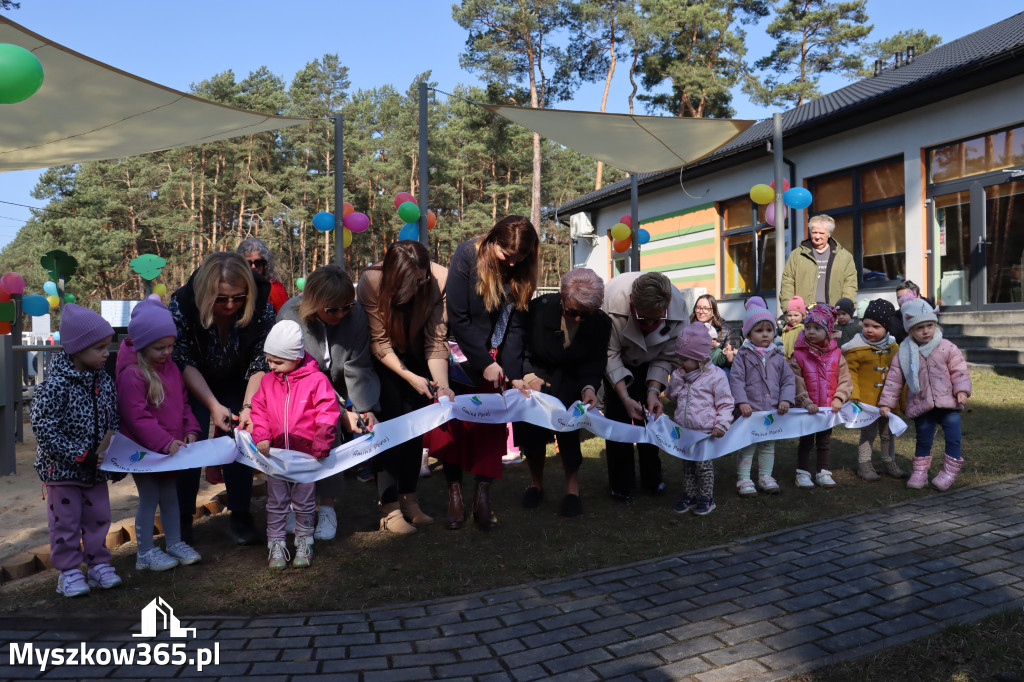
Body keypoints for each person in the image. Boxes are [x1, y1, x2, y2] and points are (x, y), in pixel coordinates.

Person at [434, 215, 537, 531]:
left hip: (496, 360)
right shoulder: (467, 254)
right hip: (461, 356)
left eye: (520, 257)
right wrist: (483, 362)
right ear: (493, 240)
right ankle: (454, 495)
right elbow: (459, 317)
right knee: (452, 428)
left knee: (490, 429)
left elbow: (516, 327)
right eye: (507, 255)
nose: (513, 263)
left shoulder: (522, 268)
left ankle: (482, 496)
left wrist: (513, 373)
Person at [169, 251, 275, 546]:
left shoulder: (262, 305)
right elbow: (182, 359)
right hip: (194, 379)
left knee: (239, 436)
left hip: (240, 378)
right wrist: (213, 405)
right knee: (191, 439)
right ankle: (182, 519)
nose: (230, 306)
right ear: (206, 294)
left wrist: (249, 406)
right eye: (221, 299)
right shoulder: (182, 304)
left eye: (238, 298)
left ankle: (241, 514)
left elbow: (261, 360)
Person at [278, 264, 380, 541]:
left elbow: (359, 364)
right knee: (296, 439)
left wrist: (364, 408)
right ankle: (295, 506)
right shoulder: (289, 316)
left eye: (347, 307)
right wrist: (339, 410)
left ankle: (327, 508)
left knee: (329, 432)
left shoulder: (356, 315)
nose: (341, 314)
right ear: (313, 303)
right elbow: (298, 370)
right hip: (297, 388)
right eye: (332, 310)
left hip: (337, 388)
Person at [358, 240, 453, 534]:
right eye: (408, 284)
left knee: (414, 429)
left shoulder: (441, 279)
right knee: (388, 429)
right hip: (384, 361)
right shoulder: (371, 280)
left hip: (419, 357)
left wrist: (442, 387)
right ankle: (389, 507)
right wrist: (408, 376)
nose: (414, 290)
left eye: (419, 282)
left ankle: (410, 499)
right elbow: (378, 341)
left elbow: (436, 339)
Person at [31, 304, 122, 597]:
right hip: (64, 472)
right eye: (98, 348)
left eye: (107, 346)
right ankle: (68, 572)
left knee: (99, 519)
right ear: (76, 350)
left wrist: (114, 457)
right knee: (65, 524)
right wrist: (79, 455)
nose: (106, 353)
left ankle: (98, 565)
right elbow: (44, 430)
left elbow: (113, 421)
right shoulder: (55, 386)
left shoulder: (105, 382)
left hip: (96, 470)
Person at [515, 268, 611, 517]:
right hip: (538, 380)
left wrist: (589, 387)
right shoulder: (537, 310)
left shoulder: (600, 322)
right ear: (561, 296)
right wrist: (528, 376)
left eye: (585, 315)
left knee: (569, 437)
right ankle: (536, 484)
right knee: (533, 437)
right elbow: (521, 348)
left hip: (572, 382)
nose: (578, 319)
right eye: (572, 312)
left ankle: (572, 489)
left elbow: (596, 361)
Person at [115, 299, 202, 571]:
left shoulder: (171, 368)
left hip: (168, 449)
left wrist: (190, 429)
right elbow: (136, 416)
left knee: (170, 496)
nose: (167, 352)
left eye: (171, 346)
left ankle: (174, 542)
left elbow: (183, 403)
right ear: (142, 345)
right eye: (160, 347)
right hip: (144, 452)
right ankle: (144, 552)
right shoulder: (132, 375)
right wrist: (164, 442)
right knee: (150, 497)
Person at [249, 321, 340, 569]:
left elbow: (327, 412)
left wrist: (320, 444)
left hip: (306, 457)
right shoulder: (268, 382)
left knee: (305, 502)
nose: (271, 366)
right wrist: (261, 435)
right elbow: (259, 410)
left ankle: (304, 540)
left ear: (296, 357)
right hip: (276, 457)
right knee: (276, 502)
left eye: (277, 361)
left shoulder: (317, 380)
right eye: (269, 360)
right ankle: (275, 544)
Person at [602, 271, 689, 502]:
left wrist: (653, 391)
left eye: (656, 319)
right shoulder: (611, 302)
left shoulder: (678, 307)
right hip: (618, 361)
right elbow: (610, 354)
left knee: (651, 419)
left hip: (652, 362)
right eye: (643, 319)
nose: (650, 325)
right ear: (632, 302)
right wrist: (624, 397)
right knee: (618, 421)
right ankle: (621, 483)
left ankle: (652, 478)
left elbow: (668, 355)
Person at [879, 299, 972, 491]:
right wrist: (887, 403)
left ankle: (949, 472)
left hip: (949, 402)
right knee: (923, 439)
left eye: (929, 325)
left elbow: (959, 370)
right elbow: (895, 379)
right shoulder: (903, 352)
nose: (926, 331)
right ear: (910, 330)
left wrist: (961, 390)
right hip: (921, 403)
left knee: (953, 437)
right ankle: (920, 473)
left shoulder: (946, 346)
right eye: (919, 327)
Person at [666, 322, 734, 516]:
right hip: (685, 431)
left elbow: (726, 403)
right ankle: (689, 495)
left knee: (703, 466)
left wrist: (722, 424)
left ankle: (706, 497)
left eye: (685, 359)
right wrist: (676, 380)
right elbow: (671, 396)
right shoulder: (682, 375)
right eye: (679, 358)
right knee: (688, 465)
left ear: (700, 358)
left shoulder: (715, 376)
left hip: (704, 432)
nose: (680, 363)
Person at [729, 301, 795, 497]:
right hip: (749, 411)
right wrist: (742, 402)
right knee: (748, 445)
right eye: (759, 330)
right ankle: (744, 479)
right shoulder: (743, 355)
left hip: (770, 411)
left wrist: (785, 400)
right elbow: (736, 380)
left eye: (769, 330)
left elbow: (788, 380)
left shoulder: (778, 356)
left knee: (768, 446)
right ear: (749, 335)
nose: (765, 334)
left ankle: (766, 476)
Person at [788, 304, 853, 490]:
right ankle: (802, 472)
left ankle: (823, 471)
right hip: (807, 410)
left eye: (817, 328)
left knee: (824, 442)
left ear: (828, 331)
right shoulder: (799, 354)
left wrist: (839, 398)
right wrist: (805, 401)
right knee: (806, 441)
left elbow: (845, 379)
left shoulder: (837, 355)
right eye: (808, 327)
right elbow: (795, 381)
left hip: (827, 408)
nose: (811, 331)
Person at [842, 299, 906, 481]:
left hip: (888, 401)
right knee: (868, 433)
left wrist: (901, 400)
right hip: (866, 402)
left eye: (876, 326)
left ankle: (889, 461)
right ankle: (864, 464)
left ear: (886, 328)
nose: (869, 330)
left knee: (888, 433)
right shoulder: (856, 349)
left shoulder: (893, 348)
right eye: (866, 325)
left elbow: (899, 374)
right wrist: (854, 394)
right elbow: (850, 373)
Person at [779, 214, 858, 311]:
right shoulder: (797, 255)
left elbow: (850, 285)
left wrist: (845, 310)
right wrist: (789, 310)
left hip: (833, 314)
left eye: (821, 233)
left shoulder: (845, 257)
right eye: (814, 232)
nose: (817, 236)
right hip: (804, 314)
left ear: (829, 234)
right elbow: (787, 283)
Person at [237, 237, 289, 314]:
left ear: (265, 264)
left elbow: (285, 316)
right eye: (248, 263)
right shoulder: (234, 288)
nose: (253, 267)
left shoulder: (276, 287)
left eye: (258, 263)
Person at [690, 294, 735, 370]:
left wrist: (727, 355)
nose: (701, 311)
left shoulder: (725, 329)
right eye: (698, 308)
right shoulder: (688, 326)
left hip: (717, 368)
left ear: (713, 311)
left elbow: (729, 361)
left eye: (705, 308)